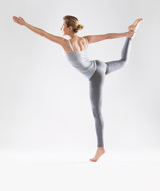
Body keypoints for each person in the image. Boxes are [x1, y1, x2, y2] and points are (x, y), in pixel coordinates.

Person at [12, 15, 144, 162]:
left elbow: (43, 33)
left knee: (96, 112)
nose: (60, 28)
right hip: (100, 66)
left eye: (62, 26)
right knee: (123, 62)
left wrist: (25, 24)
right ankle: (131, 36)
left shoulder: (65, 43)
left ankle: (100, 147)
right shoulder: (85, 40)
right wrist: (126, 34)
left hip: (95, 75)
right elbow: (106, 36)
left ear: (69, 28)